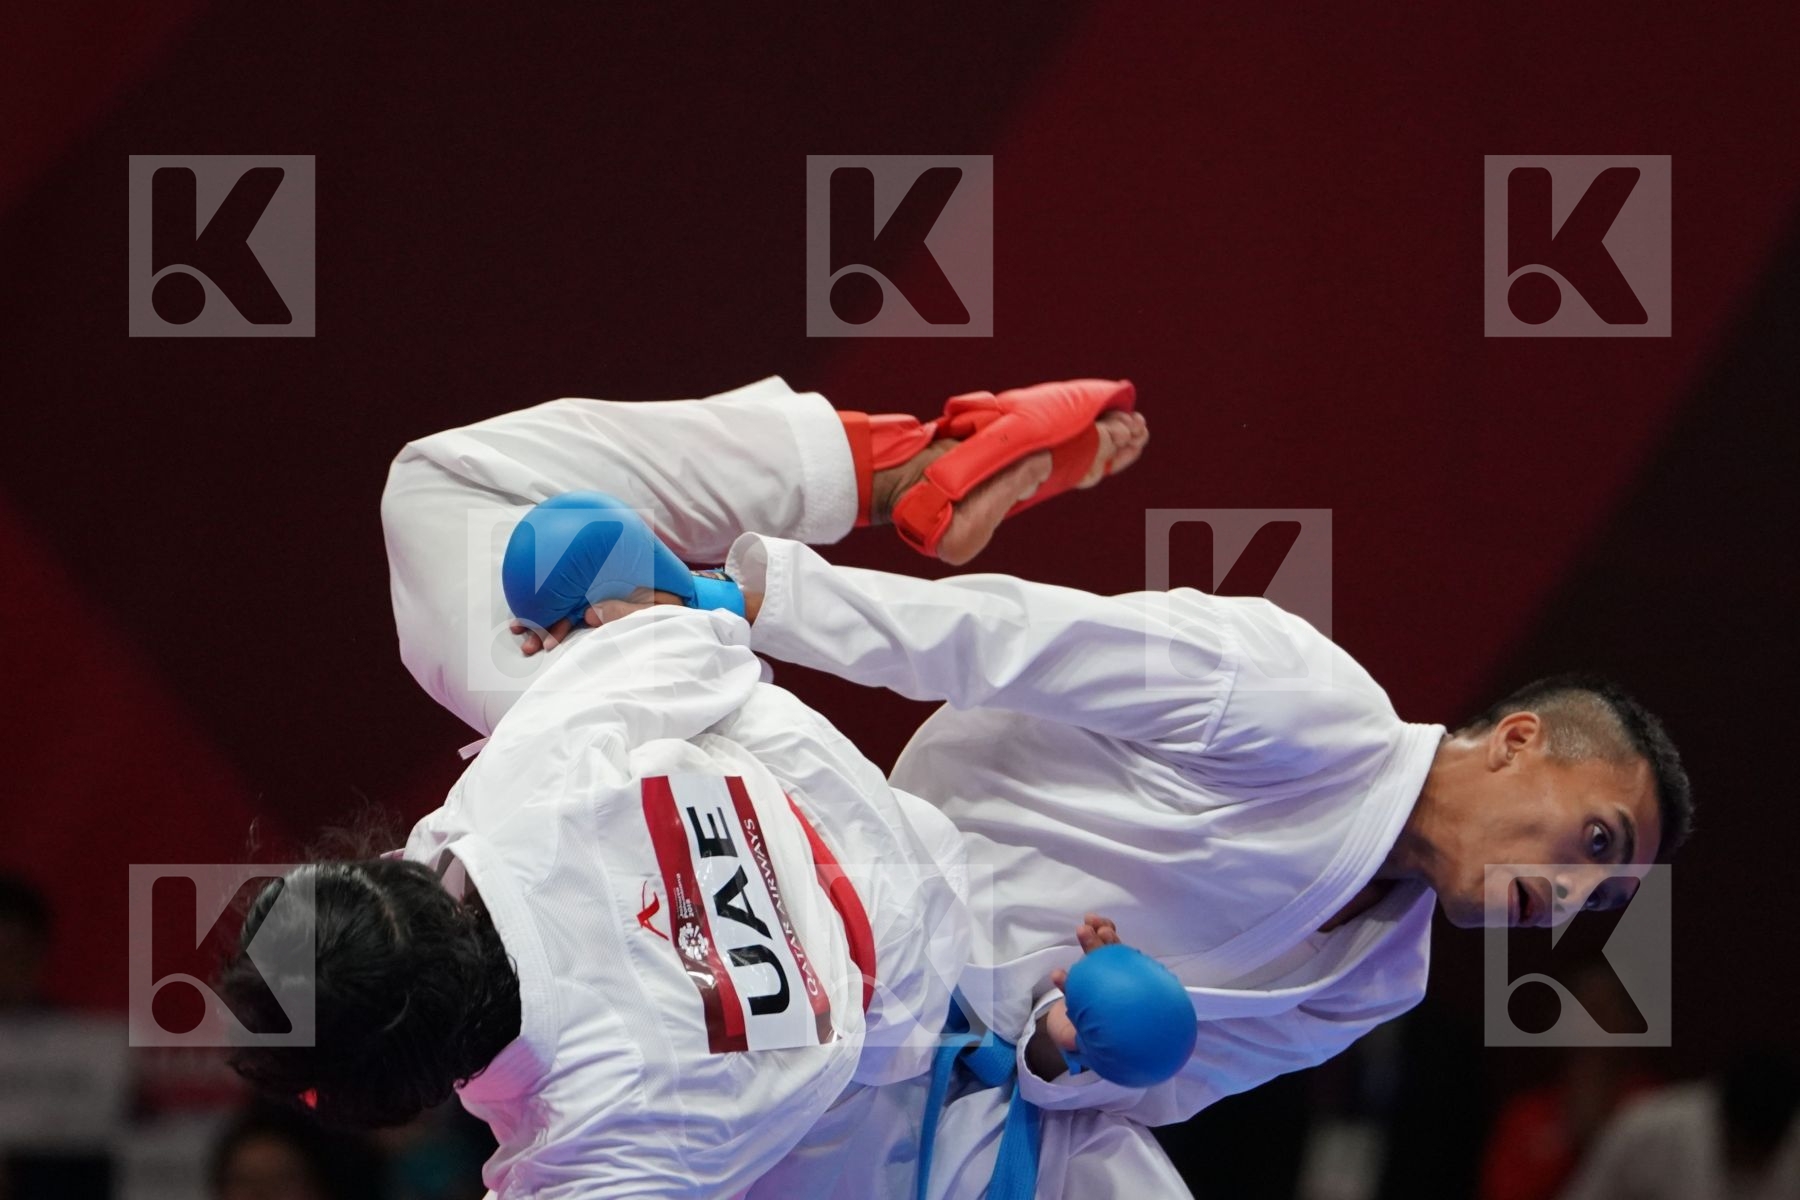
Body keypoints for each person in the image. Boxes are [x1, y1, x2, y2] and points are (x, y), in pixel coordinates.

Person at [481, 378, 1692, 1178]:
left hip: (971, 1100)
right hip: (861, 908)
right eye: (1594, 844)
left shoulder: (1381, 979)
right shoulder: (1301, 698)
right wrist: (740, 599)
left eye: (1605, 898)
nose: (1576, 901)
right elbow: (1008, 639)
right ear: (1521, 740)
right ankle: (877, 488)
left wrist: (1069, 1045)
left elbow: (1137, 1097)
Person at [220, 377, 1180, 1199]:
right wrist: (608, 614)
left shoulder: (604, 1136)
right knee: (446, 489)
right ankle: (909, 467)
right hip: (811, 796)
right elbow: (658, 620)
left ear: (399, 1105)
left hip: (895, 1004)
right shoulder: (540, 765)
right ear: (401, 872)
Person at [1555, 1048, 1800, 1200]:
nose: (1752, 1160)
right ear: (1724, 1122)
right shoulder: (1648, 1129)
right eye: (1747, 1149)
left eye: (1763, 1153)